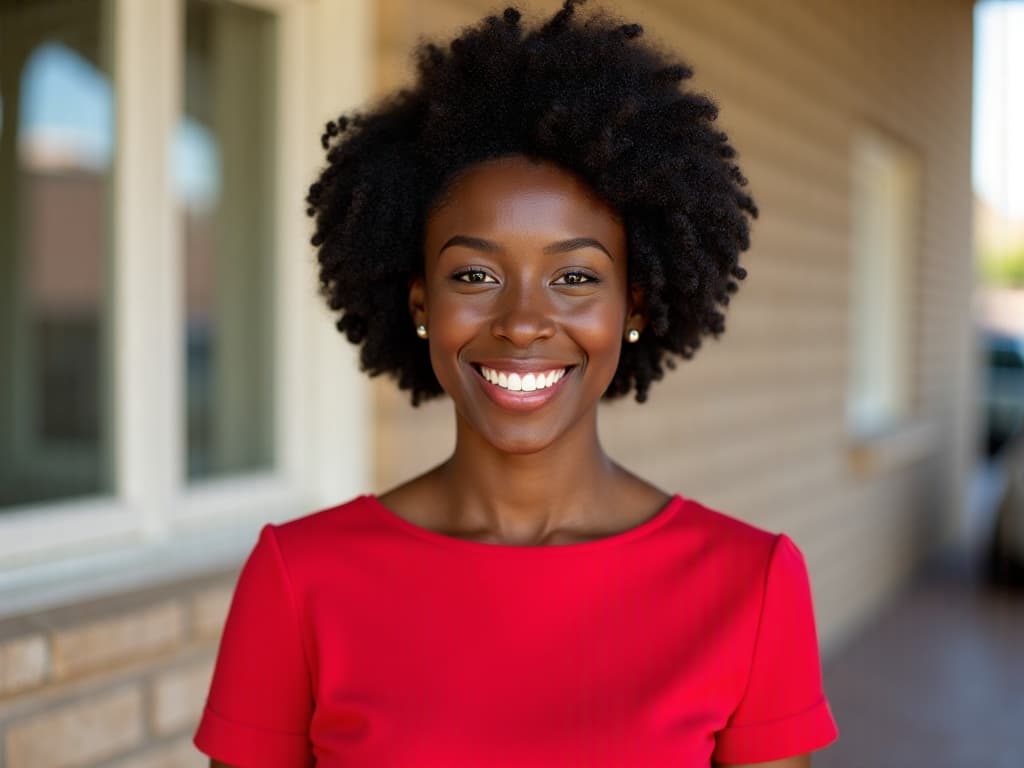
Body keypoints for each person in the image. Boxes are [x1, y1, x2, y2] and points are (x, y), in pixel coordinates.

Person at [193, 2, 839, 766]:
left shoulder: (749, 583)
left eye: (574, 276)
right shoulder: (298, 580)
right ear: (420, 305)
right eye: (475, 274)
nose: (524, 321)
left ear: (634, 304)